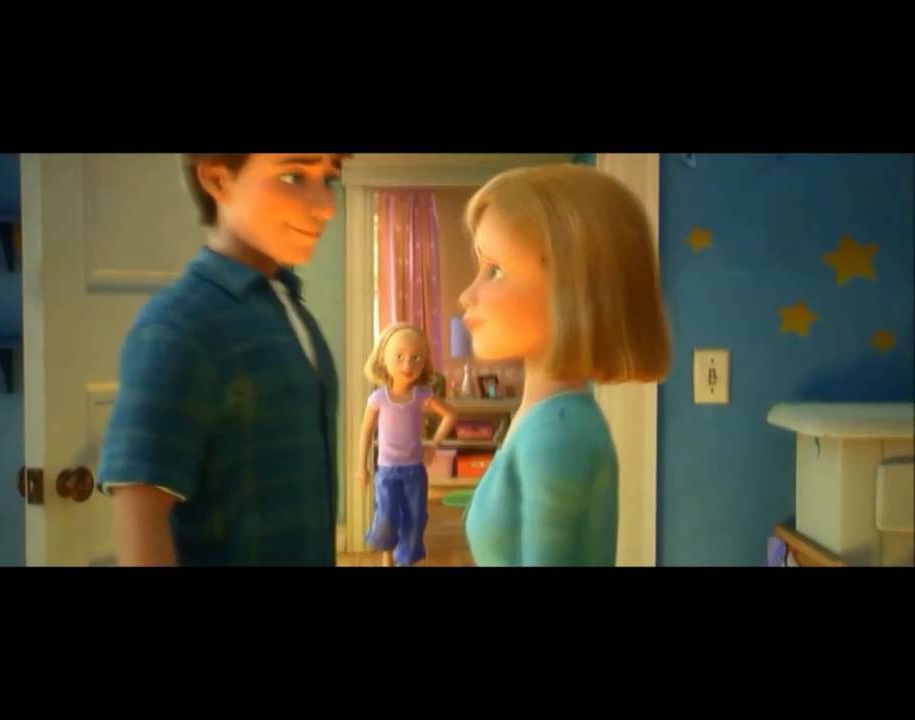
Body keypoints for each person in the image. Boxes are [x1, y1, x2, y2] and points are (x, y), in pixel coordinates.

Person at [98, 153, 347, 566]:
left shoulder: (288, 307)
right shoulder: (179, 325)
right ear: (217, 180)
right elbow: (140, 512)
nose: (325, 206)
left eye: (329, 180)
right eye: (293, 176)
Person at [459, 164, 670, 566]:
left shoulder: (556, 432)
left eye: (495, 270)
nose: (468, 295)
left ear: (571, 286)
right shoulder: (547, 418)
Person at [357, 322, 456, 566]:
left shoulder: (422, 396)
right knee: (386, 517)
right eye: (399, 356)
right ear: (383, 359)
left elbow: (450, 415)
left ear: (424, 362)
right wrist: (361, 466)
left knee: (415, 517)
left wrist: (433, 444)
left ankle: (406, 560)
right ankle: (387, 558)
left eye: (416, 358)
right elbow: (366, 432)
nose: (407, 365)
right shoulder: (378, 398)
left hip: (414, 471)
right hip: (387, 471)